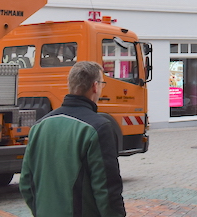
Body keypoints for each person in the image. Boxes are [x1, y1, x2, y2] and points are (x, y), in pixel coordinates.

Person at [20, 61, 125, 217]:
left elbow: (26, 183)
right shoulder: (98, 127)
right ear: (95, 86)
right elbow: (107, 190)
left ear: (69, 84)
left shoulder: (39, 127)